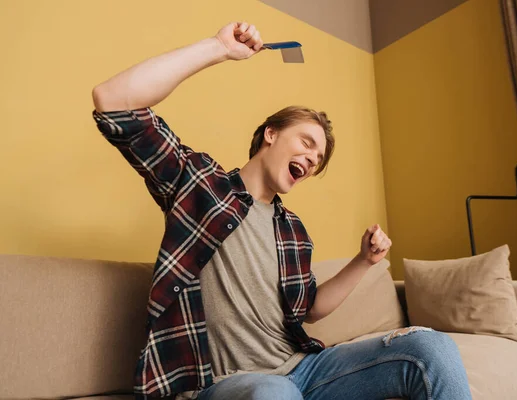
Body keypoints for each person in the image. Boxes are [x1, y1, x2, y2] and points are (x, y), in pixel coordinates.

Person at [91, 21, 472, 400]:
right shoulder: (201, 184)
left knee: (429, 349)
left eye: (318, 159)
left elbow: (311, 309)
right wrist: (218, 48)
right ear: (271, 133)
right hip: (226, 383)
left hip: (303, 368)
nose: (311, 159)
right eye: (306, 142)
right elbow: (113, 100)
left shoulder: (292, 229)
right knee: (274, 393)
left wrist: (364, 260)